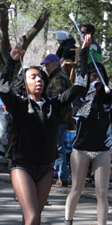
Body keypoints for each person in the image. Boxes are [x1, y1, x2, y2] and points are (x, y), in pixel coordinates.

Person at [0, 38, 89, 225]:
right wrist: (13, 62)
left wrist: (82, 52)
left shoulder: (54, 104)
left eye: (40, 77)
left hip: (45, 168)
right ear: (25, 83)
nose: (38, 80)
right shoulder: (18, 105)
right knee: (33, 216)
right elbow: (3, 88)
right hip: (22, 166)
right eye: (32, 77)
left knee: (32, 220)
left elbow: (81, 85)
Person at [63, 64, 112, 225]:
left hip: (101, 148)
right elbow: (79, 114)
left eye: (99, 75)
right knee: (77, 189)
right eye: (92, 76)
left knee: (102, 192)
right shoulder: (80, 96)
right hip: (81, 148)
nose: (96, 79)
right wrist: (89, 91)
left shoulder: (109, 97)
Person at [43, 53, 73, 184]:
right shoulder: (56, 77)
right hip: (58, 117)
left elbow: (57, 99)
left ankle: (62, 176)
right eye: (46, 66)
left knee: (58, 147)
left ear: (56, 64)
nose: (46, 68)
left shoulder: (59, 78)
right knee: (56, 146)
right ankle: (58, 173)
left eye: (48, 65)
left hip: (59, 118)